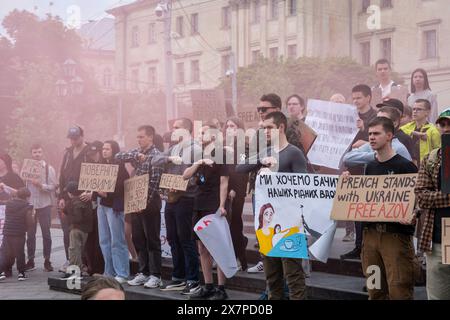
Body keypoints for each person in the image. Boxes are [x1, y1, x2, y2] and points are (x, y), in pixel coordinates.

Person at [236, 111, 308, 300]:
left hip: (290, 223)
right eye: (263, 128)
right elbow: (239, 167)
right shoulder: (265, 152)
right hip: (268, 224)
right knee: (272, 278)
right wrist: (261, 162)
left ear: (281, 127)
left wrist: (274, 176)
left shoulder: (294, 152)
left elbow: (304, 185)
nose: (265, 131)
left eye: (269, 128)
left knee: (293, 278)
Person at [352, 117, 417, 299]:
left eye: (376, 133)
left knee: (399, 291)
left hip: (395, 237)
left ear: (389, 135)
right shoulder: (370, 167)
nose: (371, 137)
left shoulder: (406, 166)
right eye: (370, 134)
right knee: (375, 291)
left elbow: (417, 200)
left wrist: (413, 214)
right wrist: (350, 185)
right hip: (370, 238)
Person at [151, 118, 202, 295]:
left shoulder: (196, 149)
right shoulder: (174, 148)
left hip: (187, 198)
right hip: (171, 199)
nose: (173, 131)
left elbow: (199, 177)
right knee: (172, 238)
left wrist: (184, 185)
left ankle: (193, 279)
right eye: (172, 128)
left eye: (176, 128)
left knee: (186, 240)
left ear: (187, 130)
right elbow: (154, 160)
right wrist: (169, 158)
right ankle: (178, 277)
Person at [182, 121, 230, 300]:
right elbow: (186, 175)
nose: (198, 136)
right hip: (199, 203)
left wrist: (222, 205)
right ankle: (208, 285)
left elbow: (224, 181)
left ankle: (221, 288)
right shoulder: (200, 155)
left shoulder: (221, 154)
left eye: (202, 133)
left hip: (214, 204)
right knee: (202, 246)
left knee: (218, 246)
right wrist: (200, 161)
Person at [116, 125, 163, 288]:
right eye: (138, 137)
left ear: (150, 137)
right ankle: (143, 272)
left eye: (142, 137)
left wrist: (143, 203)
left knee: (152, 240)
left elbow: (155, 182)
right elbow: (118, 156)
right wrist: (136, 155)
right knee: (138, 239)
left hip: (150, 203)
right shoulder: (138, 153)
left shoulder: (157, 156)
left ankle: (155, 275)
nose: (139, 139)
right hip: (135, 202)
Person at [415, 108, 450, 300]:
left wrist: (437, 196)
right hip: (437, 236)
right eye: (442, 124)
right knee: (437, 294)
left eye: (449, 124)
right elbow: (421, 195)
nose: (446, 128)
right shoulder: (430, 158)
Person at [340, 85, 377, 259]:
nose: (356, 101)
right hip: (353, 167)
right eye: (353, 98)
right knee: (355, 208)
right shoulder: (349, 116)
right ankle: (358, 245)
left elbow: (378, 138)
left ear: (368, 97)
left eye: (359, 98)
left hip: (370, 169)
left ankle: (370, 248)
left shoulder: (376, 116)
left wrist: (364, 130)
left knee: (368, 209)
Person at [96, 140, 130, 284]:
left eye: (107, 149)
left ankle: (122, 272)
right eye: (103, 148)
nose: (104, 151)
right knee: (104, 240)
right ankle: (108, 271)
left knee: (117, 240)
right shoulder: (101, 166)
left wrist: (106, 194)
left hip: (114, 207)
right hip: (102, 206)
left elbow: (123, 187)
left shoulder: (120, 167)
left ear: (114, 150)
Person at [58, 126, 90, 273]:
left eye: (75, 138)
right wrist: (61, 196)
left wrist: (90, 193)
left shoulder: (88, 151)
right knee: (67, 231)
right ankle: (70, 260)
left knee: (82, 231)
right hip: (68, 196)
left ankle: (84, 263)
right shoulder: (67, 153)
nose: (73, 140)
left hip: (84, 197)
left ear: (82, 136)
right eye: (71, 138)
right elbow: (62, 175)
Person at [343, 106, 413, 166]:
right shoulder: (370, 146)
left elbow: (409, 175)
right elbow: (347, 158)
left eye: (383, 119)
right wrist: (374, 156)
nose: (378, 122)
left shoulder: (399, 149)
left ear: (395, 123)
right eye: (377, 119)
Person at [25, 143, 57, 272]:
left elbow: (54, 186)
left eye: (39, 152)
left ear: (42, 153)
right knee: (30, 234)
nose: (37, 154)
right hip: (31, 205)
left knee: (46, 233)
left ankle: (47, 260)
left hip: (44, 205)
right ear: (31, 154)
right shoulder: (26, 168)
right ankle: (31, 260)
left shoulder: (49, 168)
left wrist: (41, 185)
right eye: (34, 152)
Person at [223, 117, 249, 272]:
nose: (229, 128)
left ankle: (241, 259)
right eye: (227, 126)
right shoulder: (223, 145)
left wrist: (235, 189)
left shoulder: (243, 148)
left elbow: (242, 171)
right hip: (222, 190)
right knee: (225, 226)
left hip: (235, 192)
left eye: (232, 126)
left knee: (235, 225)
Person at [61, 181, 93, 279]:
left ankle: (75, 272)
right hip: (86, 230)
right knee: (80, 250)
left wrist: (68, 218)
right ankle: (79, 269)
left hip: (75, 229)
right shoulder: (87, 200)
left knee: (74, 250)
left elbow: (74, 216)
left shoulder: (72, 202)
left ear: (70, 193)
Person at [0, 188, 33, 281]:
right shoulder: (28, 206)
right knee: (20, 253)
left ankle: (0, 272)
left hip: (7, 231)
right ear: (26, 197)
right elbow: (29, 220)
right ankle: (21, 273)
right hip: (19, 233)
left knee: (4, 253)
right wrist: (29, 226)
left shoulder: (9, 203)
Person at [83, 141, 105, 276]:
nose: (93, 157)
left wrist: (93, 193)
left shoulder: (105, 166)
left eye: (95, 154)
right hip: (91, 206)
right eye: (91, 155)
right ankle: (90, 265)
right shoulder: (89, 166)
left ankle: (99, 267)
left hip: (102, 205)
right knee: (89, 238)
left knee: (99, 238)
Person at [401, 99, 441, 164]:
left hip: (425, 167)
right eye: (413, 109)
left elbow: (438, 152)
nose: (415, 111)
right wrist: (414, 133)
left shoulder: (433, 130)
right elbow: (399, 131)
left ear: (427, 112)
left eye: (419, 109)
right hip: (410, 165)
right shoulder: (409, 126)